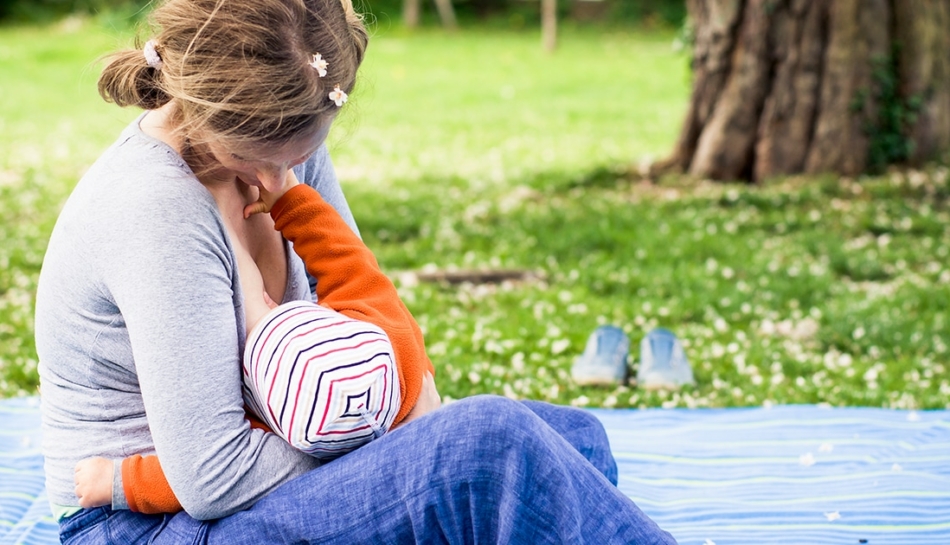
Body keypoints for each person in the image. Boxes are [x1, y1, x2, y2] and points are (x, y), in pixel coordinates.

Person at [35, 0, 677, 542]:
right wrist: (393, 418)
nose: (272, 180)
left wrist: (396, 402)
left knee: (574, 442)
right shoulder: (158, 210)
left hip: (262, 462)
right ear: (206, 111)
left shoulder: (283, 144)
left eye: (302, 153)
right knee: (493, 447)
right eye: (250, 156)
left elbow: (359, 309)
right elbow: (212, 477)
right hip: (147, 521)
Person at [72, 171, 436, 512]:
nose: (270, 301)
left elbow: (196, 472)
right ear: (346, 319)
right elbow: (343, 253)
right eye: (273, 309)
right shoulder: (396, 339)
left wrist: (119, 482)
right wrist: (289, 197)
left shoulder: (282, 419)